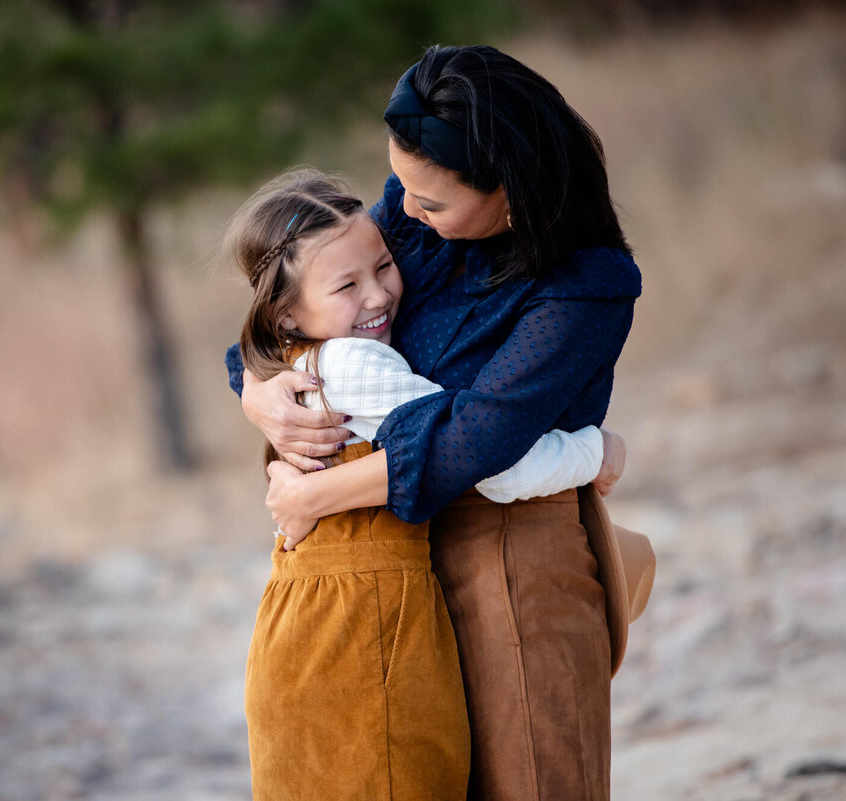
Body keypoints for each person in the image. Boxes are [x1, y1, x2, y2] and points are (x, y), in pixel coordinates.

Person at [226, 45, 644, 801]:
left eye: (431, 199)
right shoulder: (414, 221)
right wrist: (261, 394)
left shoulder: (584, 285)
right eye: (401, 185)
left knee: (535, 781)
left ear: (510, 188)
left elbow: (469, 444)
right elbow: (288, 323)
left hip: (513, 559)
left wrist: (318, 494)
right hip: (400, 570)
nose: (404, 211)